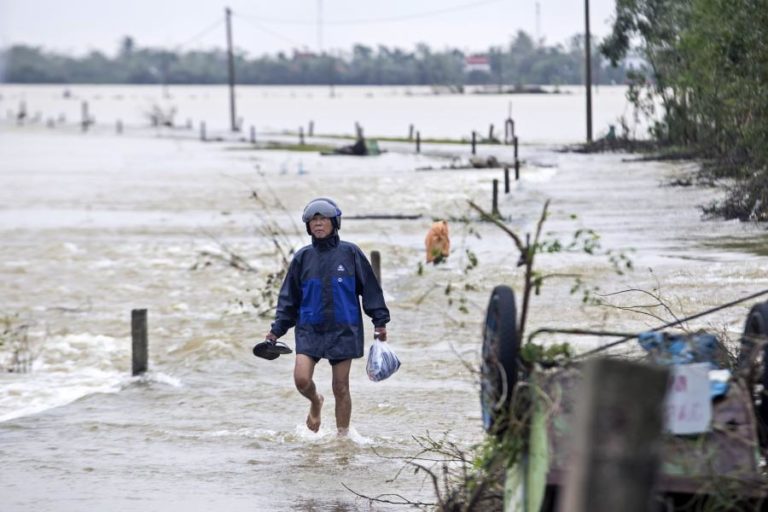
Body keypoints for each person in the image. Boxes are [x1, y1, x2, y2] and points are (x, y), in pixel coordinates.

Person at [265, 197, 390, 435]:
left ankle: (342, 439)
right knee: (301, 380)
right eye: (314, 220)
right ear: (308, 226)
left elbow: (371, 290)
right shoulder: (302, 258)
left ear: (335, 222)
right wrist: (276, 330)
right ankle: (315, 402)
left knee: (341, 387)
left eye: (323, 219)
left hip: (344, 330)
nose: (318, 224)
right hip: (309, 330)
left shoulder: (351, 253)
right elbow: (288, 299)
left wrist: (380, 321)